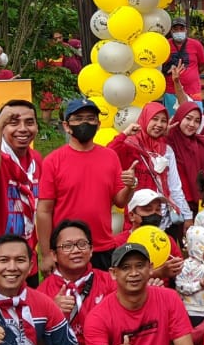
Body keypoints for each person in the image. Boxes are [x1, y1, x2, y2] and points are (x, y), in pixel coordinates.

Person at [37, 98, 135, 272]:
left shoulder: (110, 156)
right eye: (78, 118)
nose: (85, 123)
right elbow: (44, 210)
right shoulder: (53, 161)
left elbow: (120, 201)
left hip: (103, 247)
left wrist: (130, 187)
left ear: (98, 124)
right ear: (67, 126)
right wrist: (46, 255)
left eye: (90, 118)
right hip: (67, 249)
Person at [32, 220, 114, 345]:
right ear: (53, 255)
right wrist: (52, 313)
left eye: (82, 244)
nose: (76, 251)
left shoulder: (110, 283)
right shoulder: (40, 294)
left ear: (92, 249)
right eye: (67, 246)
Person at [0, 100, 42, 259]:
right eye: (13, 123)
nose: (23, 129)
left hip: (27, 257)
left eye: (29, 122)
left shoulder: (36, 160)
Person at [165, 18, 204, 100]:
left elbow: (202, 65)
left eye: (181, 29)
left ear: (186, 30)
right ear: (171, 31)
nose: (178, 31)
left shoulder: (196, 45)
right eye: (175, 29)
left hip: (193, 90)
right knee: (173, 113)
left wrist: (190, 74)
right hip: (171, 91)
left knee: (195, 112)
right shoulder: (165, 45)